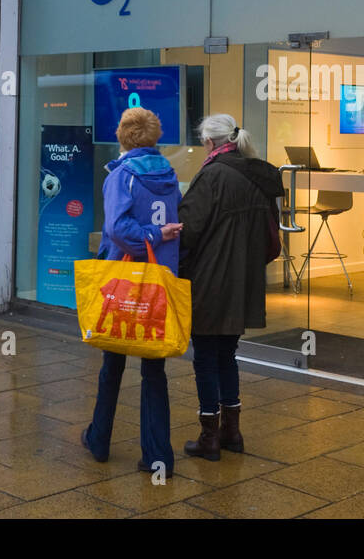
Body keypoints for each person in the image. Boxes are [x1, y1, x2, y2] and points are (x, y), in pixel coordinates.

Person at [81, 107, 184, 475]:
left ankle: (99, 440)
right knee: (154, 370)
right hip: (158, 279)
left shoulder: (122, 174)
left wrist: (152, 234)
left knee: (112, 364)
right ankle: (158, 455)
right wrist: (161, 235)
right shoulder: (168, 173)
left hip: (123, 280)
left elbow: (120, 230)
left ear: (122, 135)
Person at [177, 114, 283, 460]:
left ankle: (209, 437)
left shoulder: (211, 176)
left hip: (211, 281)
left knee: (205, 357)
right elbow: (271, 240)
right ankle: (232, 432)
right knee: (227, 355)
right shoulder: (259, 174)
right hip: (244, 282)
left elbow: (189, 230)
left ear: (210, 143)